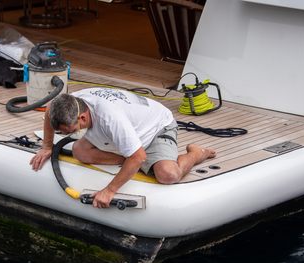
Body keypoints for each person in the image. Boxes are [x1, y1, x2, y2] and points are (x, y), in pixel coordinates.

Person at [30, 87, 215, 208]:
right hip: (119, 129)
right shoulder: (71, 102)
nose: (66, 135)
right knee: (80, 151)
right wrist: (47, 146)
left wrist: (109, 191)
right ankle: (127, 157)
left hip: (154, 129)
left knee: (168, 175)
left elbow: (139, 156)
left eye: (69, 131)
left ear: (83, 118)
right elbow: (49, 112)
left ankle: (198, 153)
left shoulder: (111, 119)